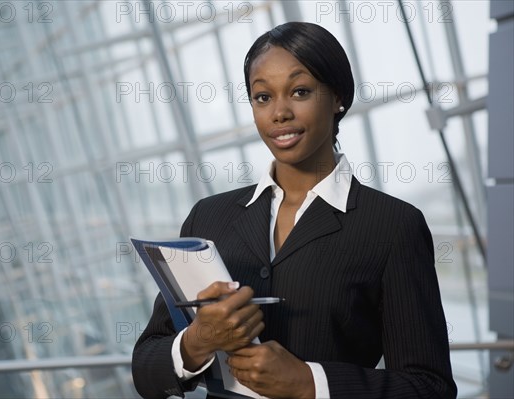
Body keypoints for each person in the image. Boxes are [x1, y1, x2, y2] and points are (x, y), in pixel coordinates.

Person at [132, 22, 457, 398]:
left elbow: (429, 386)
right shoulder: (209, 217)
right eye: (263, 97)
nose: (279, 113)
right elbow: (145, 370)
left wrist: (309, 382)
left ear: (337, 96)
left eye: (300, 91)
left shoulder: (392, 226)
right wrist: (196, 342)